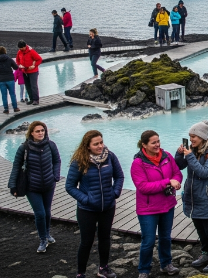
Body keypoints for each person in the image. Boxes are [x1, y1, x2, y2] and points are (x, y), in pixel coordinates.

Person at [65, 130, 124, 278]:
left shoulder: (110, 156)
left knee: (105, 238)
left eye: (101, 142)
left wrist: (114, 193)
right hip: (87, 209)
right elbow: (70, 186)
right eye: (96, 144)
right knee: (86, 242)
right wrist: (86, 200)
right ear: (88, 146)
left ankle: (103, 268)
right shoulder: (79, 161)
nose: (100, 146)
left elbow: (119, 176)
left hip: (108, 207)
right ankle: (80, 273)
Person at [175, 121, 208, 273]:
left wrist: (190, 157)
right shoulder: (193, 150)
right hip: (193, 197)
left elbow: (204, 172)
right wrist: (180, 153)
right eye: (190, 136)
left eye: (194, 136)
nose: (191, 140)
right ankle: (206, 254)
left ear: (202, 137)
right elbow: (179, 166)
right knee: (200, 229)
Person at [132, 130, 182, 277]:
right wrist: (168, 182)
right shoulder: (138, 163)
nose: (157, 145)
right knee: (148, 240)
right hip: (148, 209)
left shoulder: (167, 156)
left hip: (167, 204)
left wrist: (177, 181)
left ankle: (166, 264)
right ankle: (144, 270)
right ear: (144, 145)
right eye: (153, 142)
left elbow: (177, 173)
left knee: (165, 237)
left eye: (158, 141)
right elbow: (143, 186)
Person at [8, 121, 60, 252]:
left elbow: (57, 161)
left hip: (49, 185)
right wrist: (13, 186)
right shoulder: (23, 148)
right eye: (37, 131)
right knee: (40, 213)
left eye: (42, 130)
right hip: (32, 187)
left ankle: (47, 234)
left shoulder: (51, 145)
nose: (41, 133)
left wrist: (56, 176)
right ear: (31, 133)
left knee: (47, 212)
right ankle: (43, 239)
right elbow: (16, 167)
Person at [16, 40, 42, 105]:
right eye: (19, 48)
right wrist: (19, 65)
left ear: (25, 46)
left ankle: (36, 100)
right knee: (27, 86)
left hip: (33, 71)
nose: (21, 49)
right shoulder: (19, 52)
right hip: (24, 71)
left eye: (21, 48)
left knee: (33, 86)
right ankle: (31, 99)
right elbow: (17, 60)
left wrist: (34, 65)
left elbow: (39, 59)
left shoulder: (31, 51)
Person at [0, 46, 19, 113]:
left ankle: (6, 109)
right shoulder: (9, 59)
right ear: (5, 51)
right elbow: (16, 68)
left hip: (1, 80)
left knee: (4, 95)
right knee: (12, 94)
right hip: (10, 79)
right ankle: (15, 108)